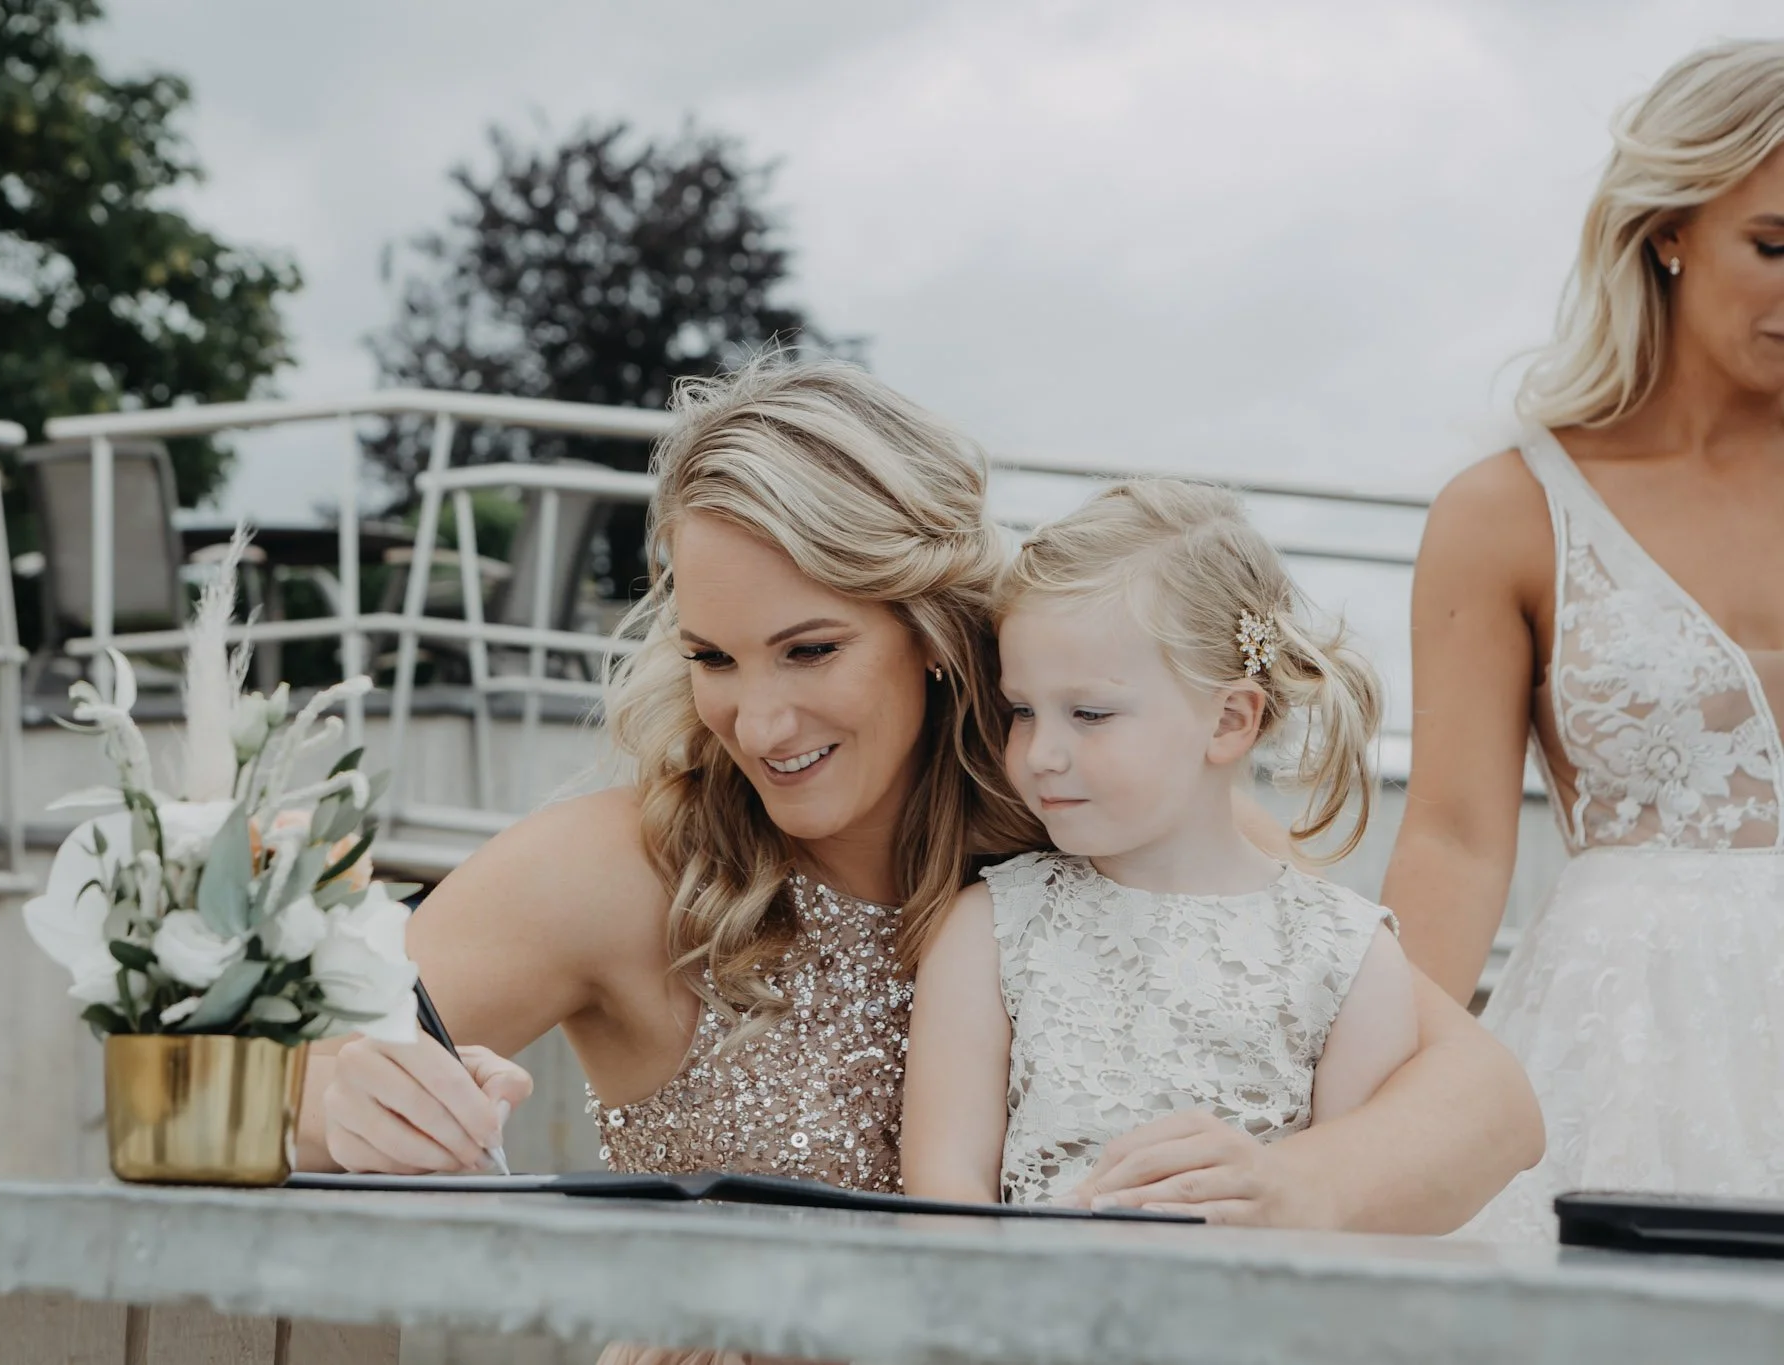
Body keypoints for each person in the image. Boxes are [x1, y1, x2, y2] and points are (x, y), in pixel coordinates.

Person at [299, 355, 1542, 1234]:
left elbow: (1482, 1101)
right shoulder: (614, 870)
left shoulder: (1111, 836)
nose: (758, 721)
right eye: (711, 659)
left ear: (931, 629)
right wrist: (332, 1102)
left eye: (809, 649)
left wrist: (1297, 1190)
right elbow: (284, 1075)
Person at [1383, 40, 1784, 1241]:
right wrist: (1353, 1120)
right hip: (1624, 1048)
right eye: (1773, 247)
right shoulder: (1506, 512)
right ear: (1665, 228)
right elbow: (1454, 842)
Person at [903, 480, 1419, 1211]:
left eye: (1089, 712)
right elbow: (943, 1191)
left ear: (1229, 721)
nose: (1042, 752)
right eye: (1022, 709)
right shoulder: (990, 927)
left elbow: (1354, 1209)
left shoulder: (1347, 958)